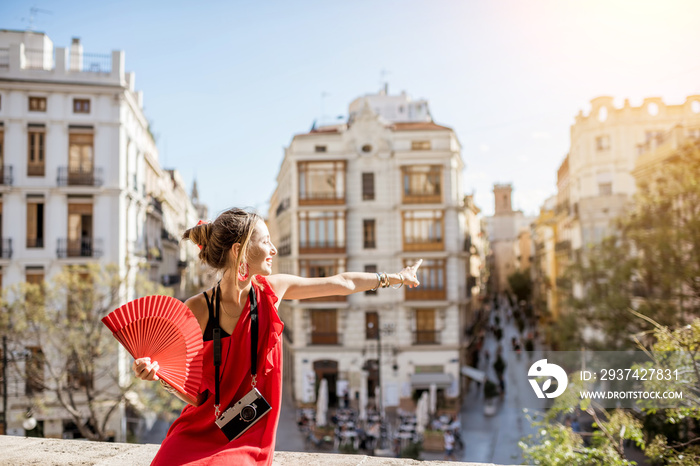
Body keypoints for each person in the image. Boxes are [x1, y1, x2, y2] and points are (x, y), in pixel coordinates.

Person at [132, 208, 422, 465]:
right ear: (240, 250)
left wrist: (395, 277)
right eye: (265, 241)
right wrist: (158, 376)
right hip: (201, 427)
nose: (273, 249)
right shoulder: (196, 308)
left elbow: (342, 282)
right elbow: (195, 396)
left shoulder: (272, 290)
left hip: (248, 433)